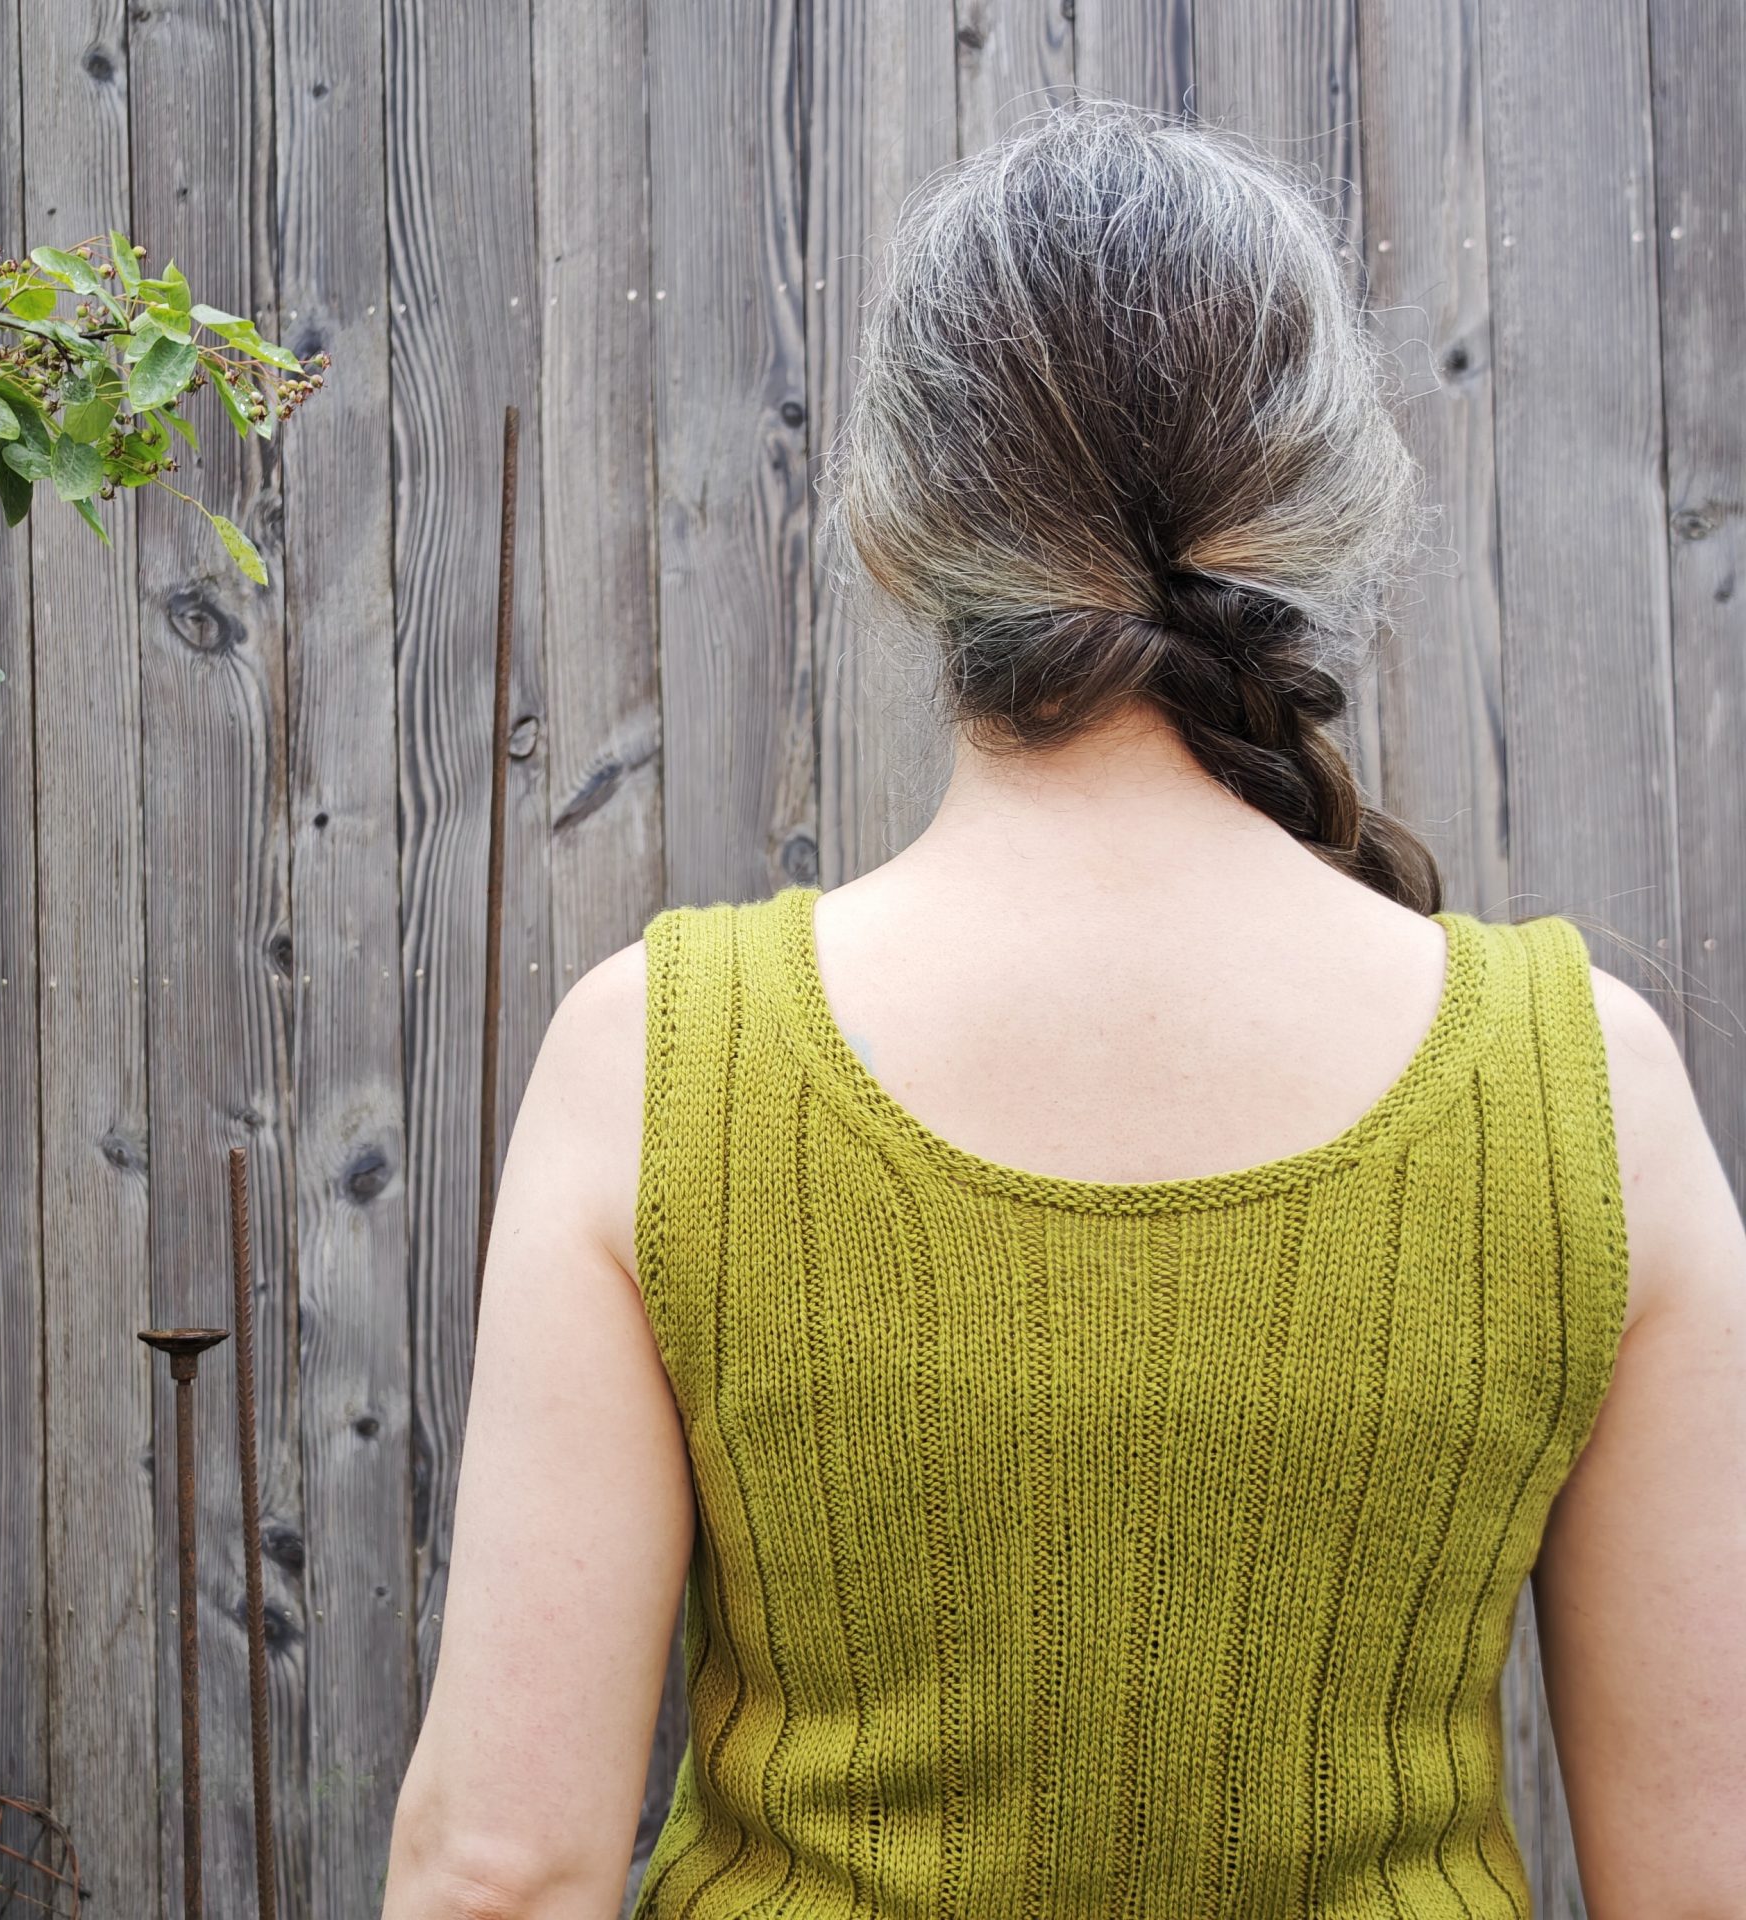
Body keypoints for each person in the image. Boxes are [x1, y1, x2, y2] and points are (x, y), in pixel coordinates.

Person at [378, 97, 1746, 1918]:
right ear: (1324, 507)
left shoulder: (662, 1066)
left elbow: (501, 1871)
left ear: (897, 528)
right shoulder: (1588, 1091)